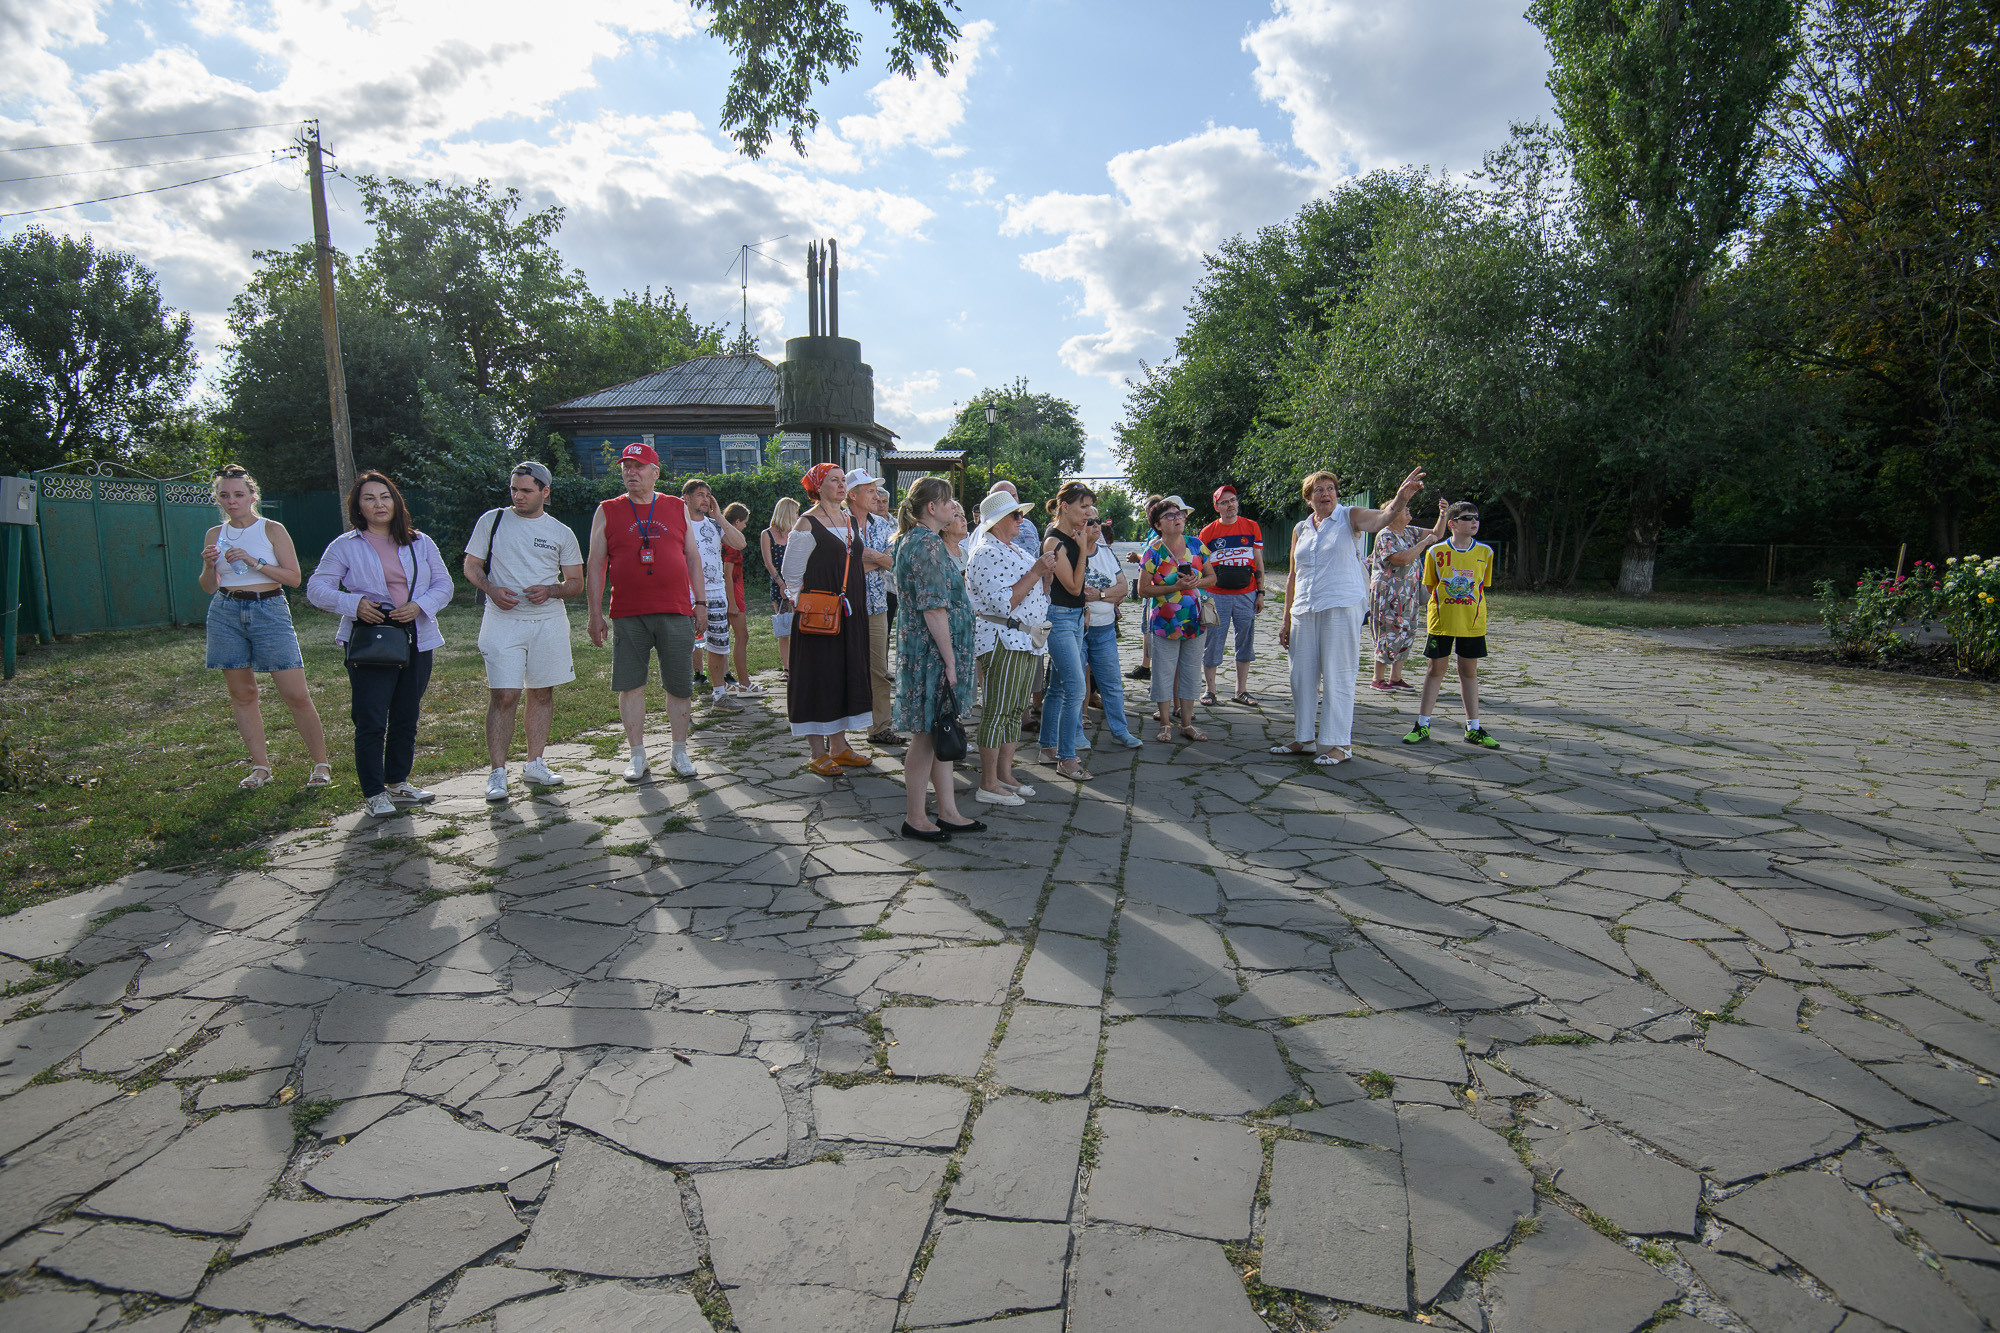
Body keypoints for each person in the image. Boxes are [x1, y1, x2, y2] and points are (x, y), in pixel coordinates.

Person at [306, 471, 454, 817]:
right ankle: (373, 793)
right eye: (369, 498)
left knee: (406, 713)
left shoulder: (420, 542)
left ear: (395, 501)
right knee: (371, 717)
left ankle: (398, 782)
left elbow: (443, 585)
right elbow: (316, 588)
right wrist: (353, 602)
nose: (378, 504)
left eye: (384, 497)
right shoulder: (345, 546)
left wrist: (420, 606)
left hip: (415, 634)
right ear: (358, 507)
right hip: (370, 636)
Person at [1274, 467, 1426, 765]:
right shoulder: (1300, 529)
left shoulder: (1348, 516)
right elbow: (1293, 575)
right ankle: (1304, 738)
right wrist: (1286, 618)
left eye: (1330, 488)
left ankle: (1339, 745)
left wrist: (1400, 499)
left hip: (1340, 606)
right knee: (1300, 677)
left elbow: (1381, 519)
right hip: (1304, 609)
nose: (1325, 493)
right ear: (1309, 498)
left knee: (1337, 675)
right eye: (1318, 489)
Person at [199, 464, 331, 790]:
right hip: (225, 612)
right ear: (217, 498)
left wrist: (254, 561)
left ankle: (321, 764)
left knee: (295, 693)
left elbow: (294, 579)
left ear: (252, 496)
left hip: (268, 609)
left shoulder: (271, 529)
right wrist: (207, 565)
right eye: (224, 495)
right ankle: (260, 767)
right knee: (242, 693)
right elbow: (208, 586)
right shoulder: (214, 534)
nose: (231, 501)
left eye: (238, 495)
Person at [462, 462, 583, 802]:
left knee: (542, 692)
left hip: (548, 621)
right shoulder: (493, 520)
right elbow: (471, 565)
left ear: (545, 491)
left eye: (526, 490)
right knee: (504, 695)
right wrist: (491, 589)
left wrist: (551, 590)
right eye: (514, 489)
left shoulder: (561, 532)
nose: (518, 496)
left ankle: (535, 763)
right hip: (502, 620)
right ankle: (497, 773)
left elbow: (575, 583)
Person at [585, 442, 706, 781]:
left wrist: (701, 602)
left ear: (655, 473)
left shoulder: (675, 506)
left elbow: (693, 557)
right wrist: (595, 613)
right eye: (626, 466)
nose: (630, 472)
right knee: (630, 684)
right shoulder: (608, 509)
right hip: (628, 612)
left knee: (680, 684)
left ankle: (679, 752)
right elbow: (595, 563)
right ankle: (637, 755)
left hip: (675, 610)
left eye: (638, 466)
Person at [891, 477, 983, 840]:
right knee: (926, 736)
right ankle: (916, 817)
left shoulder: (922, 541)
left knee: (940, 729)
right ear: (932, 508)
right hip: (930, 655)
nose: (953, 508)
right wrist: (949, 660)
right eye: (949, 503)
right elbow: (933, 608)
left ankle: (947, 811)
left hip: (932, 652)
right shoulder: (925, 543)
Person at [782, 463, 875, 774]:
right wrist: (811, 605)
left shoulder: (849, 520)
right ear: (817, 488)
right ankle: (817, 751)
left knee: (842, 674)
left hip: (850, 613)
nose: (840, 485)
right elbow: (791, 575)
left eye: (841, 481)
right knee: (817, 676)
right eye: (833, 481)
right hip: (818, 617)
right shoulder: (806, 525)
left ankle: (840, 746)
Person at [966, 491, 1054, 806]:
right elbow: (1002, 603)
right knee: (997, 712)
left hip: (1026, 639)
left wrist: (1045, 575)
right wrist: (1036, 572)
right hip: (1003, 638)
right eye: (1016, 515)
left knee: (1016, 712)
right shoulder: (985, 552)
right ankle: (988, 783)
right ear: (999, 520)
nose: (1021, 520)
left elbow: (1037, 594)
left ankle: (1004, 775)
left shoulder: (1013, 548)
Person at [1407, 501, 1500, 748]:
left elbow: (1482, 586)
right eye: (1468, 517)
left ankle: (1474, 728)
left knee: (1468, 672)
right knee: (1435, 670)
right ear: (1452, 524)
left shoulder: (1486, 552)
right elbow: (1430, 586)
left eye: (1476, 517)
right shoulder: (1435, 552)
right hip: (1442, 622)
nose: (1474, 521)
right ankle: (1422, 724)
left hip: (1472, 623)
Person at [1136, 496, 1216, 743]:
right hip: (1164, 622)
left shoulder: (1196, 545)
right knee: (1163, 672)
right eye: (1169, 516)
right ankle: (1165, 723)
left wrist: (1196, 582)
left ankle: (1187, 724)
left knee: (1191, 672)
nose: (1177, 518)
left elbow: (1212, 578)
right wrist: (1173, 588)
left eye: (1179, 514)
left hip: (1195, 620)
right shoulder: (1154, 552)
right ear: (1158, 524)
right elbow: (1142, 589)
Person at [1037, 481, 1097, 780]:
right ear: (1065, 505)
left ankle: (1047, 747)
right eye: (1083, 506)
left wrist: (1084, 543)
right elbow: (1073, 587)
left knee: (1059, 688)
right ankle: (1066, 758)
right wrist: (1084, 549)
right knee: (1076, 687)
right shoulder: (1053, 542)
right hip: (1059, 617)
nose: (1088, 513)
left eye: (1090, 507)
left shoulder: (1073, 536)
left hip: (1073, 617)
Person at [845, 469, 900, 748]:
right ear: (852, 495)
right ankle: (839, 732)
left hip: (877, 606)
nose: (876, 495)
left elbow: (893, 560)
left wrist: (866, 557)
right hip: (844, 608)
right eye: (869, 490)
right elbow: (840, 564)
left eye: (876, 490)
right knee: (843, 668)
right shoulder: (838, 523)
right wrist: (874, 559)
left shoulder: (882, 525)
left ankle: (879, 727)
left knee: (879, 669)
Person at [1080, 506, 1144, 749]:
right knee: (1075, 684)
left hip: (1104, 628)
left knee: (1112, 683)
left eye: (1098, 520)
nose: (1096, 525)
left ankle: (1120, 730)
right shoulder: (1070, 552)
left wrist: (1100, 594)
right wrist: (1099, 596)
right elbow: (1074, 592)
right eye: (1090, 521)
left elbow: (1123, 587)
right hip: (1078, 628)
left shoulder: (1106, 552)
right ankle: (1075, 731)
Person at [1370, 496, 1447, 691]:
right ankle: (1378, 678)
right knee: (1388, 633)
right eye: (1403, 508)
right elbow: (1400, 559)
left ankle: (1396, 678)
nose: (1408, 510)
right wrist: (1424, 544)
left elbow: (1436, 533)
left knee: (1406, 632)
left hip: (1408, 593)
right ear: (1392, 515)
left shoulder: (1409, 532)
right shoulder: (1385, 535)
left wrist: (1443, 515)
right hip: (1388, 595)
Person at [1199, 484, 1266, 707]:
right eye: (1224, 502)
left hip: (1246, 593)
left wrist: (1261, 592)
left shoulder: (1251, 526)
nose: (1230, 505)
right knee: (1213, 640)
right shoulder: (1208, 532)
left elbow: (1258, 561)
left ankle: (1241, 690)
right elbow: (1203, 567)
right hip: (1216, 594)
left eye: (1233, 500)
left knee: (1245, 641)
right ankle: (1210, 690)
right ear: (1217, 506)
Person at [683, 477, 744, 709]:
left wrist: (719, 516)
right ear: (686, 498)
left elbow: (740, 543)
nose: (706, 499)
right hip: (687, 593)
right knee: (684, 646)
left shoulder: (714, 525)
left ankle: (720, 695)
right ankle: (683, 699)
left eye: (708, 495)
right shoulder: (679, 524)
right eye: (700, 494)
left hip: (716, 592)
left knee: (717, 645)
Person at [720, 501, 760, 696]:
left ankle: (721, 681)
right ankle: (744, 683)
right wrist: (732, 603)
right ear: (736, 522)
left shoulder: (721, 537)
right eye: (744, 523)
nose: (745, 526)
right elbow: (727, 574)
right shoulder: (732, 543)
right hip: (733, 591)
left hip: (732, 590)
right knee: (742, 636)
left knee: (721, 639)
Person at [1127, 493, 1165, 683]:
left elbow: (1157, 558)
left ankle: (1154, 669)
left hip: (1157, 591)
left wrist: (1138, 557)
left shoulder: (1161, 533)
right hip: (1149, 587)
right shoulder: (1152, 532)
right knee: (1147, 628)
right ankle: (1146, 665)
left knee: (1153, 629)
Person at [762, 496, 799, 681]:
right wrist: (782, 585)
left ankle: (800, 665)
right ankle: (786, 668)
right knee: (784, 627)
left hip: (798, 585)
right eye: (795, 512)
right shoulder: (767, 534)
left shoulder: (796, 533)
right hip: (779, 586)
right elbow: (769, 563)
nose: (798, 515)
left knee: (800, 626)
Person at [942, 499, 970, 573]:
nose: (963, 519)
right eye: (956, 515)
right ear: (944, 526)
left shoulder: (963, 552)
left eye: (963, 515)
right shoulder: (939, 552)